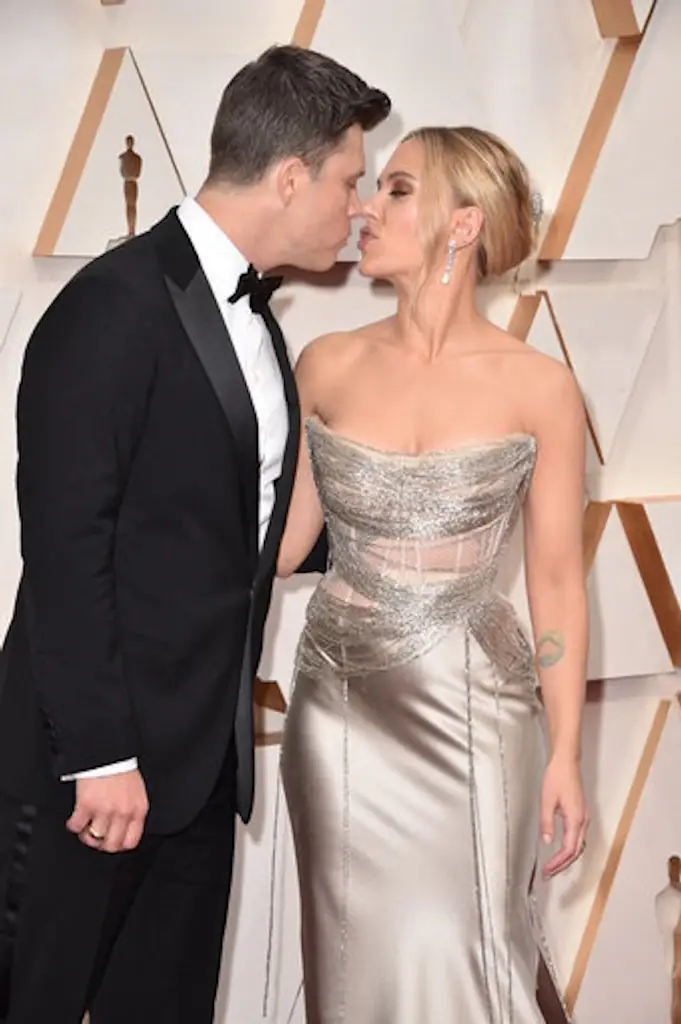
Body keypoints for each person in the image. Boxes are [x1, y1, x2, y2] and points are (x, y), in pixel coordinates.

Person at [0, 45, 389, 1024]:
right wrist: (100, 756)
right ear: (290, 176)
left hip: (201, 776)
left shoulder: (261, 321)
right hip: (89, 776)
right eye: (348, 180)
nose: (357, 205)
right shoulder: (111, 306)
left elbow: (232, 528)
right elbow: (66, 548)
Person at [278, 125, 589, 1023]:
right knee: (353, 971)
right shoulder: (325, 364)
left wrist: (566, 751)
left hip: (475, 708)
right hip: (339, 708)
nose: (366, 208)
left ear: (463, 223)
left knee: (473, 954)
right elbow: (283, 548)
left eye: (398, 189)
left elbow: (556, 583)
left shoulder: (541, 388)